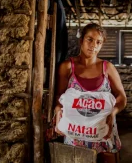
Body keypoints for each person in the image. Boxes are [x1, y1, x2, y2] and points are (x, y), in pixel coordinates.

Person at [54, 23, 127, 154]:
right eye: (90, 40)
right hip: (75, 135)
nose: (94, 45)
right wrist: (58, 109)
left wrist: (113, 113)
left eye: (99, 42)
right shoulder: (67, 67)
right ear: (81, 40)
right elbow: (59, 95)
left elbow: (122, 97)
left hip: (103, 133)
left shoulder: (107, 68)